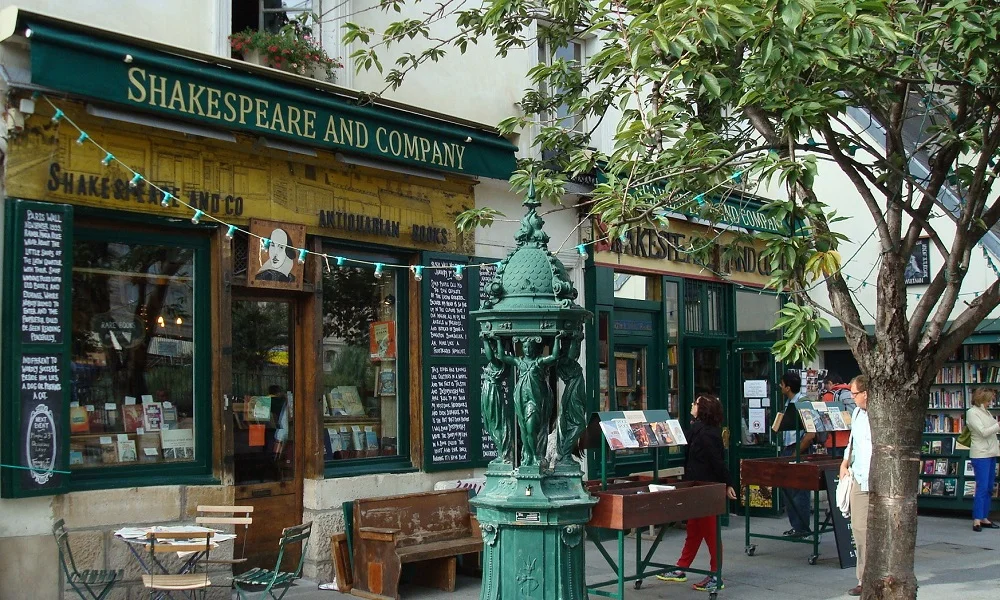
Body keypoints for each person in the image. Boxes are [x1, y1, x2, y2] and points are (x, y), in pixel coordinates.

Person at [656, 394, 737, 593]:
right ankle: (681, 568)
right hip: (695, 487)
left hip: (707, 489)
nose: (692, 405)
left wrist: (728, 484)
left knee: (710, 532)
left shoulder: (708, 434)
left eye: (696, 403)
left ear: (703, 409)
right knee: (693, 529)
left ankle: (715, 574)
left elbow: (717, 462)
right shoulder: (697, 429)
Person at [839, 375, 871, 597]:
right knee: (859, 529)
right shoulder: (858, 412)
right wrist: (844, 462)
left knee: (870, 530)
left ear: (866, 393)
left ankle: (872, 576)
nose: (852, 397)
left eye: (855, 393)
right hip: (859, 475)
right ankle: (863, 578)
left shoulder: (878, 414)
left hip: (877, 477)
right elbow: (852, 441)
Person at [780, 371, 814, 536]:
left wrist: (796, 452)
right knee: (788, 489)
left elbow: (810, 432)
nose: (780, 387)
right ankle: (796, 525)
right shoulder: (788, 402)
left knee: (799, 490)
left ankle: (802, 527)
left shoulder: (802, 402)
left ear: (787, 387)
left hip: (798, 448)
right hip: (787, 447)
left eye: (781, 384)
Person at [966, 388, 1000, 531]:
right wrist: (998, 425)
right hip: (980, 454)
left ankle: (985, 517)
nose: (990, 403)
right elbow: (983, 432)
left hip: (991, 453)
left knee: (988, 488)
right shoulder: (972, 413)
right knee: (982, 487)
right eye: (988, 400)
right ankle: (977, 519)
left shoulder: (986, 412)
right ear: (982, 400)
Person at [821, 372, 853, 457]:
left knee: (834, 469)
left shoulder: (828, 396)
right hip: (850, 440)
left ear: (830, 383)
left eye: (826, 385)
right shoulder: (852, 393)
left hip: (834, 441)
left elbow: (825, 421)